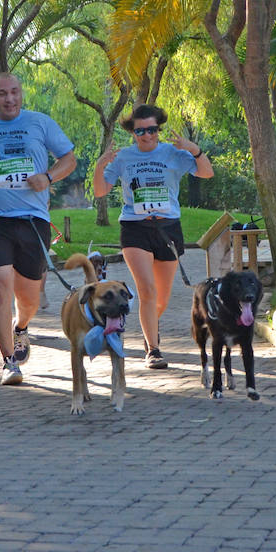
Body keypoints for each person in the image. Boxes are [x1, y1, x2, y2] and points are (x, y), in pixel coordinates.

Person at [0, 73, 77, 386]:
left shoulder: (40, 123)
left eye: (14, 93)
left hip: (32, 221)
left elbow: (69, 159)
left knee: (29, 297)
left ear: (21, 94)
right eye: (2, 94)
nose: (9, 99)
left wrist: (48, 178)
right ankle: (9, 362)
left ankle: (21, 326)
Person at [93, 104, 213, 369]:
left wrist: (194, 149)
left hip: (168, 228)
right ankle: (154, 350)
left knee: (161, 298)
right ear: (133, 133)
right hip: (135, 229)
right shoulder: (123, 157)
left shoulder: (172, 153)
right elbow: (101, 191)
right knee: (146, 291)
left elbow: (206, 172)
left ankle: (150, 329)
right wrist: (100, 165)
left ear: (158, 130)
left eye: (152, 130)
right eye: (140, 131)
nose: (146, 135)